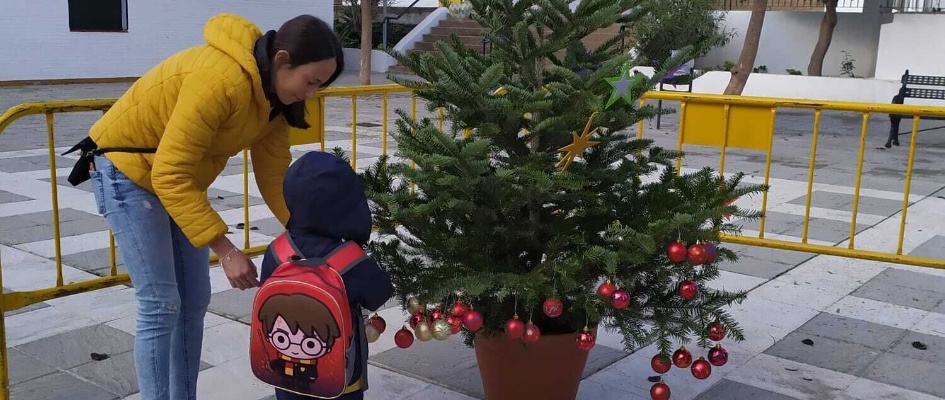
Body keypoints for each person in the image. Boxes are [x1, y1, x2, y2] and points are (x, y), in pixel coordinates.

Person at [74, 13, 345, 400]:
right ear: (282, 60)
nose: (310, 94)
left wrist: (304, 234)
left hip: (174, 183)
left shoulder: (273, 100)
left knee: (194, 300)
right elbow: (170, 173)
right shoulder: (222, 79)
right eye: (311, 82)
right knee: (160, 303)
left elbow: (273, 176)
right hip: (125, 172)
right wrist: (226, 250)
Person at [259, 151, 394, 400]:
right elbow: (380, 292)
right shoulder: (348, 260)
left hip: (285, 374)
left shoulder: (277, 251)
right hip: (340, 377)